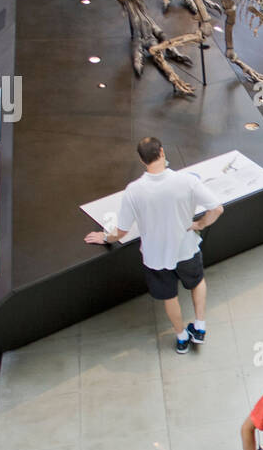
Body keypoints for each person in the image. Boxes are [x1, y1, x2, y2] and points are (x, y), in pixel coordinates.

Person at [83, 136, 223, 354]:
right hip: (186, 249)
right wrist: (199, 224)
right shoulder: (187, 181)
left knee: (169, 297)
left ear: (142, 160)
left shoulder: (134, 190)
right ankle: (200, 327)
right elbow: (216, 208)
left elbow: (121, 230)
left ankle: (181, 338)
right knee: (197, 282)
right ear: (162, 152)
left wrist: (105, 237)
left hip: (156, 256)